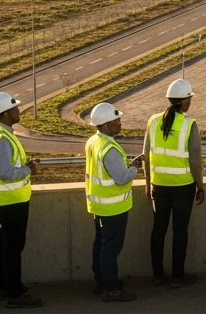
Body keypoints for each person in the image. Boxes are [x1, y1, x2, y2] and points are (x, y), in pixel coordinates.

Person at [0, 91, 43, 309]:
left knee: (4, 245)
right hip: (10, 200)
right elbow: (5, 172)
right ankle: (15, 295)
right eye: (15, 108)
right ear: (6, 113)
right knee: (13, 248)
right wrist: (27, 170)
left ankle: (5, 287)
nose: (19, 110)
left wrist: (25, 166)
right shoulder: (2, 138)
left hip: (3, 198)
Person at [143, 79, 204, 288]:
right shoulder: (189, 124)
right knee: (180, 232)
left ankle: (157, 275)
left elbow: (146, 155)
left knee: (158, 230)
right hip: (183, 187)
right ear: (185, 102)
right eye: (190, 98)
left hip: (158, 185)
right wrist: (201, 186)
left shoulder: (152, 121)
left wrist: (147, 183)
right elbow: (195, 161)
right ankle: (178, 276)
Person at [85, 102, 139, 303]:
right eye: (116, 120)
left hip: (99, 204)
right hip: (113, 207)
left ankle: (102, 281)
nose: (120, 123)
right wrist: (134, 167)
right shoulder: (109, 148)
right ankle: (110, 288)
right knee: (110, 248)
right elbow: (121, 178)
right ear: (105, 125)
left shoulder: (93, 141)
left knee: (101, 244)